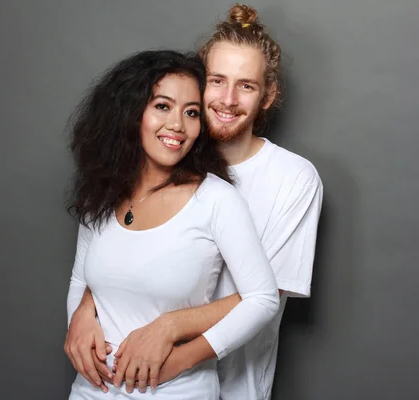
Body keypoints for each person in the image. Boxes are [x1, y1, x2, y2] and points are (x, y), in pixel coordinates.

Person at [65, 4, 323, 399]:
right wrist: (85, 306)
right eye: (217, 81)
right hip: (117, 381)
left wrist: (169, 330)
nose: (228, 99)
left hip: (228, 382)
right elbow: (119, 256)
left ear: (268, 95)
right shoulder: (149, 171)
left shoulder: (288, 179)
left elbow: (263, 296)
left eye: (247, 85)